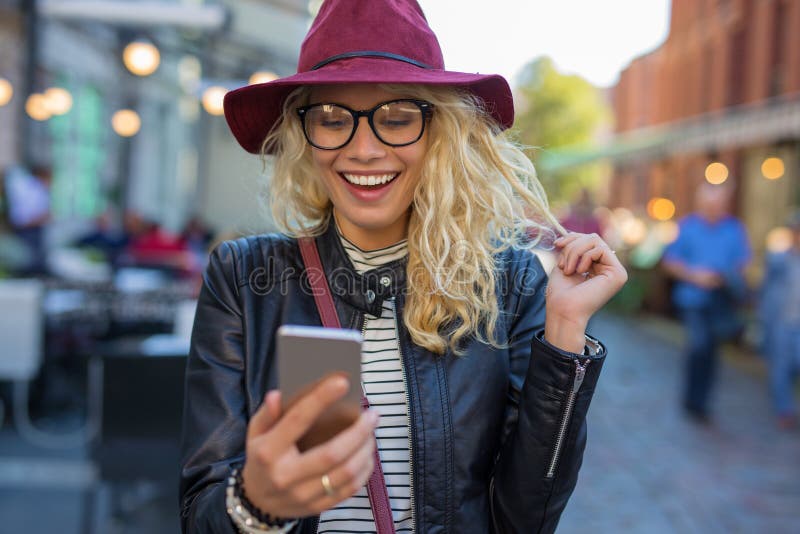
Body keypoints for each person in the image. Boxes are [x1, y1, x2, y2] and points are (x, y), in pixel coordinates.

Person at [179, 1, 627, 533]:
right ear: (304, 135)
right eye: (331, 118)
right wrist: (256, 500)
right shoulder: (243, 278)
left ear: (440, 132)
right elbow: (200, 513)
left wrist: (566, 331)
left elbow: (523, 519)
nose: (364, 148)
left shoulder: (510, 283)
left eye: (396, 118)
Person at [662, 181, 751, 423]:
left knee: (711, 351)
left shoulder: (734, 229)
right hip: (693, 299)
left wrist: (724, 276)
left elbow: (742, 263)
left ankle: (701, 402)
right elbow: (670, 262)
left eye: (718, 202)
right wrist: (695, 275)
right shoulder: (688, 227)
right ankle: (691, 398)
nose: (714, 206)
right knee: (699, 345)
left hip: (720, 300)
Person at [758, 211, 800, 430]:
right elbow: (766, 290)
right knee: (780, 368)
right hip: (782, 322)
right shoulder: (779, 260)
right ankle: (784, 410)